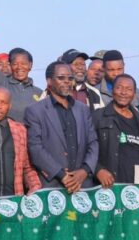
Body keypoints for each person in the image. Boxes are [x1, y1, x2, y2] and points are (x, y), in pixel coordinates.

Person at [25, 61, 99, 192]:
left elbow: (93, 142)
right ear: (49, 81)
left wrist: (84, 171)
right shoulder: (35, 110)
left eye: (70, 78)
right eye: (61, 78)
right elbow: (35, 148)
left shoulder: (83, 109)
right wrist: (61, 175)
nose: (67, 81)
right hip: (53, 184)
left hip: (83, 184)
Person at [0, 11, 43, 122]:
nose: (19, 67)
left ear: (30, 65)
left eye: (23, 64)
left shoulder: (39, 93)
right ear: (11, 66)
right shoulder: (3, 83)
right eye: (15, 64)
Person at [92, 74, 139, 187]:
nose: (123, 92)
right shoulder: (98, 116)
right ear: (112, 90)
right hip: (107, 186)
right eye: (119, 88)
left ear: (134, 93)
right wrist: (98, 170)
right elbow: (86, 149)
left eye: (129, 89)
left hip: (135, 186)